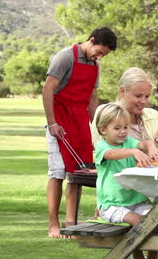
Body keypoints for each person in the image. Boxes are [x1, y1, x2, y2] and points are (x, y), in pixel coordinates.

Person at [42, 27, 117, 238]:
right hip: (59, 118)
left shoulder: (95, 65)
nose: (99, 57)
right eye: (99, 52)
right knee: (57, 172)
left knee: (78, 173)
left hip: (80, 121)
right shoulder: (65, 57)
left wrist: (98, 128)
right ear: (91, 40)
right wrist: (52, 123)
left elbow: (93, 98)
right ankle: (53, 224)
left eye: (103, 55)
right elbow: (48, 89)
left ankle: (70, 223)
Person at [94, 103, 158, 259]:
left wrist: (151, 147)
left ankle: (153, 257)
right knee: (141, 223)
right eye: (117, 128)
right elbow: (112, 154)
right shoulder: (101, 147)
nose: (123, 132)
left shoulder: (130, 142)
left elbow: (145, 143)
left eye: (125, 127)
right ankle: (137, 256)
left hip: (136, 201)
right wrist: (134, 152)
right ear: (103, 129)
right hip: (112, 205)